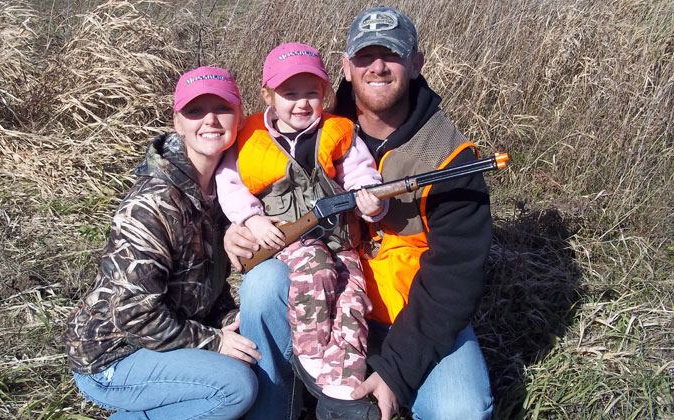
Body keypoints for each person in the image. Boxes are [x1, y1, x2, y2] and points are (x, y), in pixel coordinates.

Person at [230, 7, 494, 420]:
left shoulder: (449, 155)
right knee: (262, 285)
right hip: (323, 291)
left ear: (416, 63)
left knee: (462, 411)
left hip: (409, 312)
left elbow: (455, 277)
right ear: (346, 68)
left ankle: (350, 383)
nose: (377, 67)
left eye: (391, 55)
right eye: (364, 56)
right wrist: (235, 228)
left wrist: (395, 371)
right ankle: (277, 404)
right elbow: (241, 182)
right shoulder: (310, 120)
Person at [62, 66, 261, 420]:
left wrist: (235, 320)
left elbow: (205, 291)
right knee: (234, 387)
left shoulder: (226, 193)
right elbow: (134, 314)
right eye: (195, 111)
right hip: (114, 355)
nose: (210, 120)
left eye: (222, 108)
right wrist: (215, 341)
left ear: (240, 116)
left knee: (254, 347)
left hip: (170, 337)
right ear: (178, 123)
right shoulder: (152, 204)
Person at [215, 42, 386, 420]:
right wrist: (251, 219)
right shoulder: (249, 137)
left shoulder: (339, 131)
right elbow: (230, 185)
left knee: (353, 300)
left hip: (341, 242)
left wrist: (371, 201)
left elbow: (361, 174)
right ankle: (311, 357)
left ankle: (342, 390)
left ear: (325, 93)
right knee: (315, 267)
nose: (301, 103)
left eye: (311, 92)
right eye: (289, 93)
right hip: (287, 239)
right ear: (268, 96)